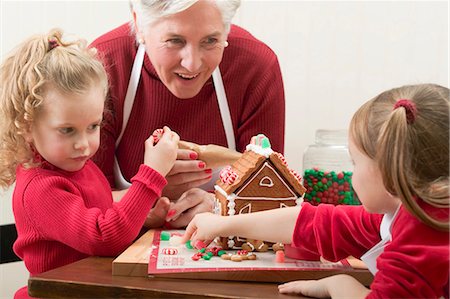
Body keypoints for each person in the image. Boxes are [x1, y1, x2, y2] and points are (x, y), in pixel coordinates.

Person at [182, 83, 450, 298]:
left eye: (355, 163)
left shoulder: (423, 229)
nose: (350, 172)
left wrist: (340, 286)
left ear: (391, 172)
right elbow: (321, 223)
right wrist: (222, 225)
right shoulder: (413, 213)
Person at [0, 29, 179, 299]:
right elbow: (105, 237)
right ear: (27, 127)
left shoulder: (78, 166)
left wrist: (143, 218)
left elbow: (102, 218)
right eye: (67, 130)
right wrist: (152, 173)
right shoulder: (40, 190)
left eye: (93, 126)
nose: (83, 144)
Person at [90, 0, 286, 228]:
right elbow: (80, 202)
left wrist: (217, 204)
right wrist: (149, 190)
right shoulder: (104, 64)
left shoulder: (255, 67)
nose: (192, 64)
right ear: (139, 24)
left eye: (211, 41)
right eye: (175, 40)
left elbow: (272, 193)